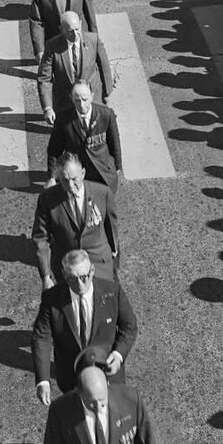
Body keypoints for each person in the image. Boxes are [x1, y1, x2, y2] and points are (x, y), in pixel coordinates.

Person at [31, 250, 138, 403]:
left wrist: (118, 355)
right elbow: (42, 337)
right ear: (63, 274)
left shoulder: (113, 292)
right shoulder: (52, 299)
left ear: (92, 271)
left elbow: (129, 327)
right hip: (71, 380)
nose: (80, 285)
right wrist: (43, 381)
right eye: (72, 279)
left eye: (84, 277)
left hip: (109, 379)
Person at [32, 152, 119, 286]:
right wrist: (46, 276)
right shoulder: (47, 199)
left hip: (99, 265)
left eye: (74, 179)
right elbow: (41, 238)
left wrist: (114, 263)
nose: (71, 185)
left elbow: (112, 229)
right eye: (65, 180)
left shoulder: (102, 193)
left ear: (83, 173)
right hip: (68, 269)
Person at [45, 81, 125, 195]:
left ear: (92, 97)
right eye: (77, 100)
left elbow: (115, 144)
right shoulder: (63, 119)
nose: (81, 105)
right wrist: (52, 177)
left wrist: (117, 169)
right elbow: (54, 149)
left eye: (85, 99)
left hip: (103, 174)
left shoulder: (106, 114)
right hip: (78, 177)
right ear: (71, 99)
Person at [36, 11, 113, 127]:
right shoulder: (52, 46)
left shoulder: (93, 40)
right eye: (70, 31)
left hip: (92, 96)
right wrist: (47, 108)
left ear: (81, 24)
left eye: (77, 29)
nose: (75, 34)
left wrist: (107, 93)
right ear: (61, 29)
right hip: (66, 100)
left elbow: (104, 66)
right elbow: (44, 78)